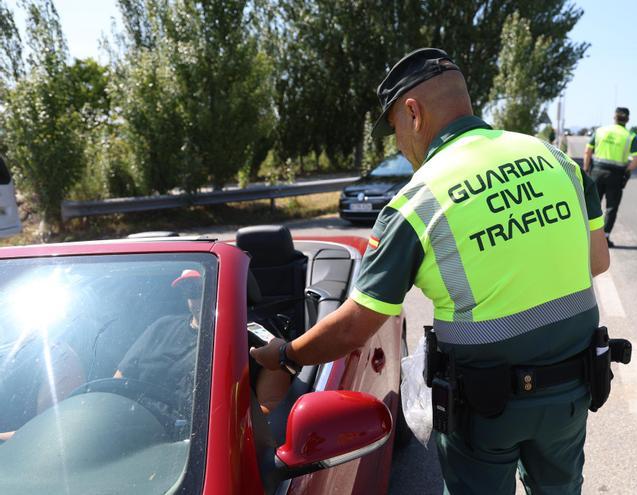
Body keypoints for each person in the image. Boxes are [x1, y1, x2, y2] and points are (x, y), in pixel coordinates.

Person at [252, 48, 609, 494]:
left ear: (413, 113)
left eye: (396, 130)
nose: (400, 145)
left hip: (485, 411)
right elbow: (597, 262)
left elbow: (354, 328)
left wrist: (285, 356)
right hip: (571, 394)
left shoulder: (417, 202)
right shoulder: (557, 161)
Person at [117, 269, 291, 414]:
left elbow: (270, 412)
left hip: (197, 445)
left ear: (227, 289)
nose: (199, 298)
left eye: (205, 288)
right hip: (136, 427)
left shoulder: (261, 341)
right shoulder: (160, 327)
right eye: (191, 290)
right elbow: (117, 384)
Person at [584, 107, 637, 247]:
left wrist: (586, 169)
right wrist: (627, 171)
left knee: (591, 204)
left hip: (597, 172)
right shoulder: (630, 136)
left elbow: (588, 151)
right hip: (616, 175)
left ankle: (586, 236)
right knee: (611, 207)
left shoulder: (600, 131)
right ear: (627, 119)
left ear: (614, 117)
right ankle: (604, 238)